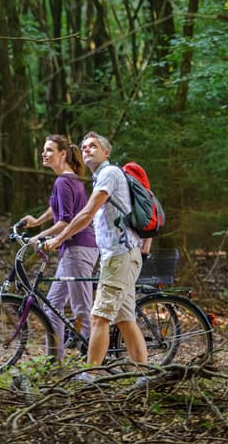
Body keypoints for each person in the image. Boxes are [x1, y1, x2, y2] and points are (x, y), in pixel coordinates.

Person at [45, 131, 148, 379]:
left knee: (98, 316)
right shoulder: (100, 177)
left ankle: (90, 375)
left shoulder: (109, 174)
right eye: (84, 147)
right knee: (125, 320)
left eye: (93, 146)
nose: (88, 149)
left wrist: (59, 238)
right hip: (119, 256)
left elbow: (86, 214)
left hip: (120, 256)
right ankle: (144, 375)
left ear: (106, 152)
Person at [19, 134, 98, 360]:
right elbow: (57, 209)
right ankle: (54, 362)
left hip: (79, 249)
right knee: (52, 306)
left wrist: (39, 237)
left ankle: (93, 361)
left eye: (49, 150)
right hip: (73, 250)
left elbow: (65, 220)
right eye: (44, 150)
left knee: (82, 307)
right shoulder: (69, 179)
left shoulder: (64, 181)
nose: (44, 154)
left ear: (62, 154)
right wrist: (37, 222)